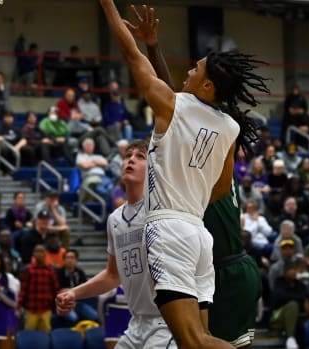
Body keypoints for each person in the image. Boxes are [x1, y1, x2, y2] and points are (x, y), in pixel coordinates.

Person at [101, 3, 269, 348]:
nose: (189, 72)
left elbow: (128, 51)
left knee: (191, 342)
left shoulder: (171, 104)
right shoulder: (230, 126)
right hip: (199, 235)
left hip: (168, 229)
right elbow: (221, 188)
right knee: (202, 339)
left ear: (207, 86)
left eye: (196, 69)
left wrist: (106, 4)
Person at [57, 139, 178, 348]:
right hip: (136, 323)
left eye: (140, 157)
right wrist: (74, 293)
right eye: (127, 156)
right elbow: (113, 275)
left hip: (165, 321)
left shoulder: (161, 210)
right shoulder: (114, 219)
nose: (130, 160)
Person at [16, 244, 59, 333]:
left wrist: (57, 304)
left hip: (46, 309)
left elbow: (55, 289)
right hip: (31, 309)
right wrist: (18, 306)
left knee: (45, 335)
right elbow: (23, 290)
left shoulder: (50, 270)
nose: (39, 254)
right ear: (33, 254)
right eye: (37, 251)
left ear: (45, 254)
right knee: (29, 334)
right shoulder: (28, 270)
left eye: (41, 251)